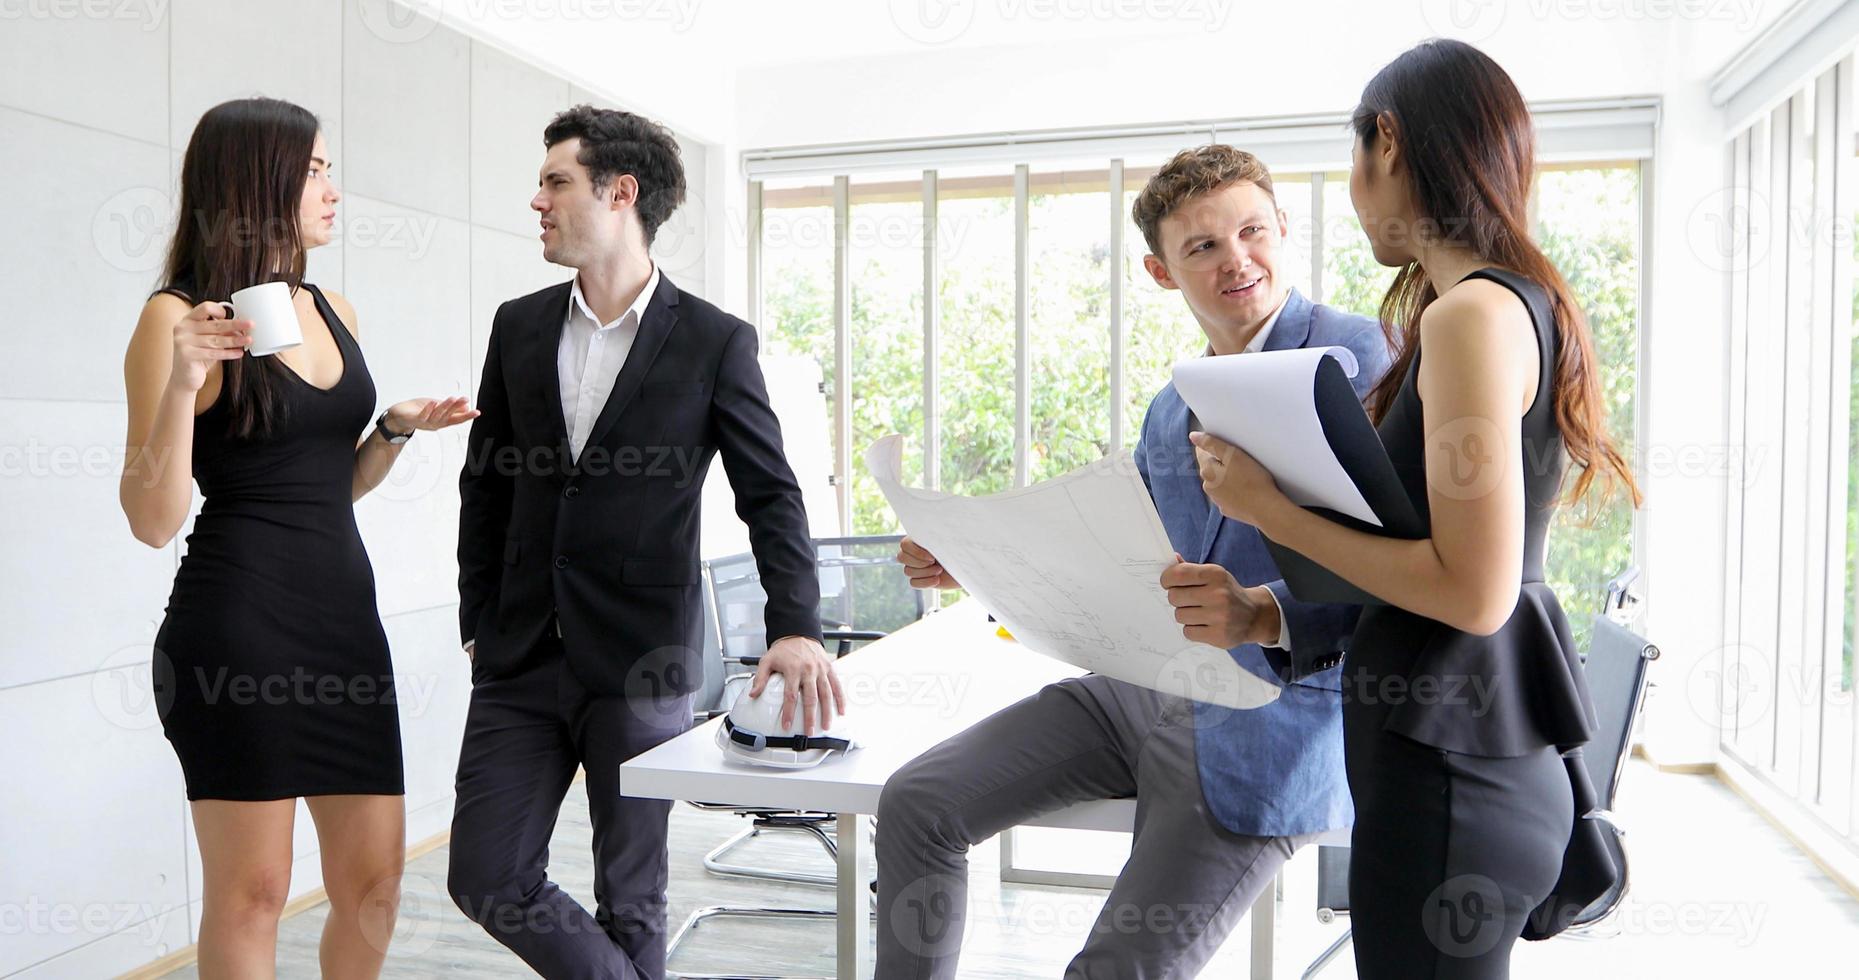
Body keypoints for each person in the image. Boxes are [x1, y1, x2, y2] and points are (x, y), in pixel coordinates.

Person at [878, 144, 1391, 979]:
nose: (1236, 259)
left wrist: (1265, 612)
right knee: (916, 802)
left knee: (1113, 969)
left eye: (1251, 231)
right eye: (1202, 247)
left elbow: (1399, 572)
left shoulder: (1363, 361)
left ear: (1282, 229)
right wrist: (975, 561)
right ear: (1161, 271)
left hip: (1269, 718)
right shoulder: (1171, 408)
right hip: (1139, 689)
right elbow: (1126, 557)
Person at [1190, 40, 1642, 979]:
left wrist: (1266, 506)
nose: (1356, 196)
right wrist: (1271, 607)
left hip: (1450, 776)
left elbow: (1470, 593)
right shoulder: (1504, 305)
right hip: (1468, 754)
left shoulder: (1468, 316)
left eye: (1355, 161)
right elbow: (1427, 556)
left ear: (1385, 143)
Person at [445, 104, 843, 979]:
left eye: (556, 181)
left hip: (640, 657)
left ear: (619, 192)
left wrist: (796, 624)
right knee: (485, 874)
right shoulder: (517, 325)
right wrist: (478, 612)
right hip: (516, 651)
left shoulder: (712, 341)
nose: (537, 200)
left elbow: (769, 494)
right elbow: (486, 482)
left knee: (632, 892)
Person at [119, 97, 478, 979]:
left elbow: (329, 491)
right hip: (236, 628)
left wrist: (388, 433)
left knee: (374, 885)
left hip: (343, 628)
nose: (333, 189)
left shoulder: (333, 308)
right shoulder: (173, 320)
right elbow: (151, 518)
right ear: (256, 181)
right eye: (315, 170)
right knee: (254, 892)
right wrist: (182, 384)